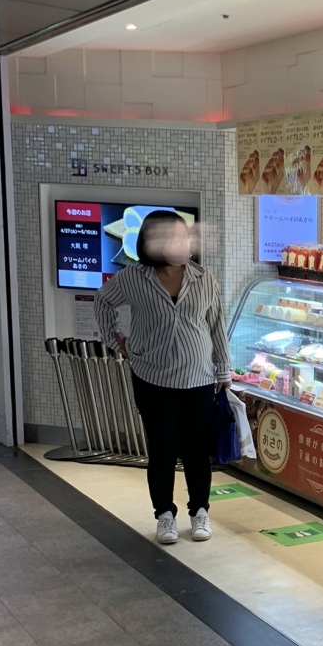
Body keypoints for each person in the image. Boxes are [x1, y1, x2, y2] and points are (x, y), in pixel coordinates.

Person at [94, 210, 231, 546]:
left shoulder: (203, 278)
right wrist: (116, 341)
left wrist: (223, 370)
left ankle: (200, 511)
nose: (185, 244)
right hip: (152, 379)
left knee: (197, 451)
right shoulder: (133, 278)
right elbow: (103, 301)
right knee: (163, 449)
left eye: (186, 237)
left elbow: (216, 324)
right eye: (175, 238)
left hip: (198, 378)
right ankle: (165, 515)